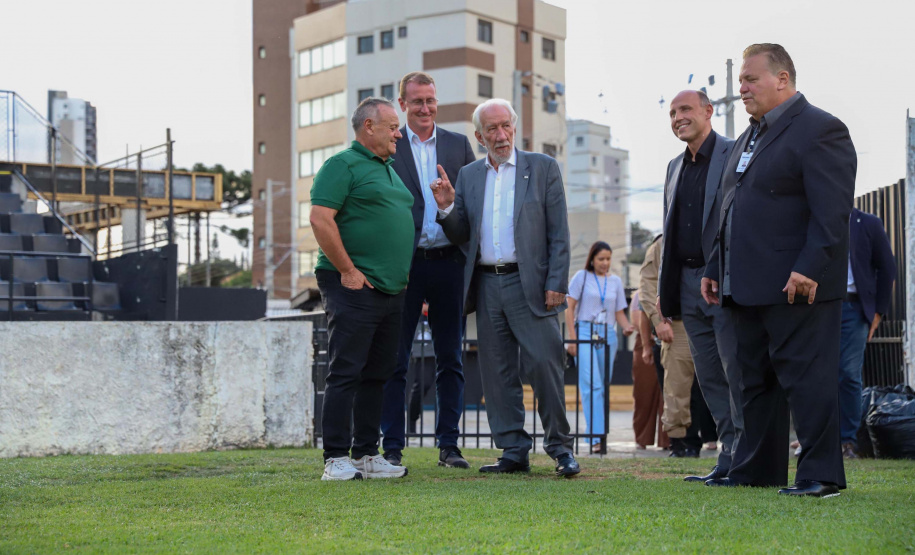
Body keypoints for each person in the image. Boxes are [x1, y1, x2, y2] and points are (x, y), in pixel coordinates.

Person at [702, 44, 856, 497]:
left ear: (782, 79)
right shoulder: (749, 136)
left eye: (750, 79)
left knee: (808, 381)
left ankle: (820, 475)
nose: (742, 89)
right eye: (740, 82)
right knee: (755, 383)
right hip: (746, 283)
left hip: (798, 284)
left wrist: (809, 267)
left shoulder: (821, 129)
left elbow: (832, 213)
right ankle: (757, 471)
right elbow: (731, 207)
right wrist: (715, 265)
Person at [432, 98, 580, 477]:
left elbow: (558, 232)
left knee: (545, 366)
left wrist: (557, 283)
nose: (501, 135)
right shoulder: (468, 176)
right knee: (497, 374)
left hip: (530, 283)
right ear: (479, 136)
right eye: (492, 129)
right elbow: (463, 233)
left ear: (515, 128)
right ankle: (513, 450)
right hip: (486, 284)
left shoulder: (543, 168)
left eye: (506, 126)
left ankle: (561, 449)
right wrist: (448, 208)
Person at [310, 97, 414, 481]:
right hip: (352, 283)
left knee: (378, 372)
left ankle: (367, 454)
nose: (399, 134)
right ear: (368, 126)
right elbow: (321, 219)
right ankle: (335, 457)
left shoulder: (389, 169)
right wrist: (348, 270)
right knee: (346, 370)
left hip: (390, 289)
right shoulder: (341, 165)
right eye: (392, 127)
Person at [380, 71, 477, 469]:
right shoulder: (389, 145)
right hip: (402, 267)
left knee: (450, 357)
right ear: (402, 104)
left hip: (447, 265)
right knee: (395, 360)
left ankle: (449, 446)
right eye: (417, 101)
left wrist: (448, 206)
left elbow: (470, 210)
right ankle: (391, 446)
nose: (425, 108)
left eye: (430, 101)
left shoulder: (458, 145)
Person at [658, 89, 742, 483]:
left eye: (685, 109)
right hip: (687, 286)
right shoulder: (674, 167)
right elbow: (669, 234)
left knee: (735, 371)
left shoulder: (735, 153)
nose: (677, 117)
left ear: (709, 112)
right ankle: (727, 456)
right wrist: (665, 293)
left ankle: (747, 454)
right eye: (673, 112)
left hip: (725, 281)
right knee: (708, 376)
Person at [565, 241, 634, 454]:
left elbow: (619, 312)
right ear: (592, 259)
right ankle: (595, 437)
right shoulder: (581, 277)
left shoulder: (615, 282)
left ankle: (599, 434)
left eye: (608, 259)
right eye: (601, 259)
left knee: (602, 386)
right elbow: (569, 308)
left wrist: (627, 327)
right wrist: (573, 338)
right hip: (585, 331)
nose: (605, 263)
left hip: (608, 334)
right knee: (592, 385)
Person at [839, 208, 896, 458]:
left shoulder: (868, 223)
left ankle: (847, 441)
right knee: (815, 374)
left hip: (854, 308)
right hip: (818, 308)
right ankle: (815, 438)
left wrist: (877, 313)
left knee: (848, 374)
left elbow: (888, 268)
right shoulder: (812, 217)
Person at [640, 234, 700, 457]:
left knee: (714, 385)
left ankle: (726, 441)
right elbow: (647, 285)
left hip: (712, 317)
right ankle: (680, 443)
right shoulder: (661, 244)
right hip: (677, 323)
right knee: (677, 386)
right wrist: (658, 320)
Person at [631, 290, 669, 450]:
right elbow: (635, 321)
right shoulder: (640, 294)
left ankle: (668, 440)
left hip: (669, 339)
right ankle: (642, 438)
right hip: (646, 340)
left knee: (668, 394)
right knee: (644, 393)